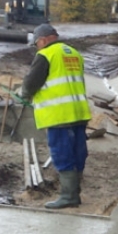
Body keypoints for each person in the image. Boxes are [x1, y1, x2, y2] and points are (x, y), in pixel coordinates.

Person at [20, 23, 91, 209]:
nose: (37, 47)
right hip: (79, 112)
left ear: (42, 40)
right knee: (78, 153)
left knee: (62, 153)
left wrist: (24, 94)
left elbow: (30, 84)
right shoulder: (74, 53)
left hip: (59, 115)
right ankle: (75, 194)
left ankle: (68, 196)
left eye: (36, 44)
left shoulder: (45, 55)